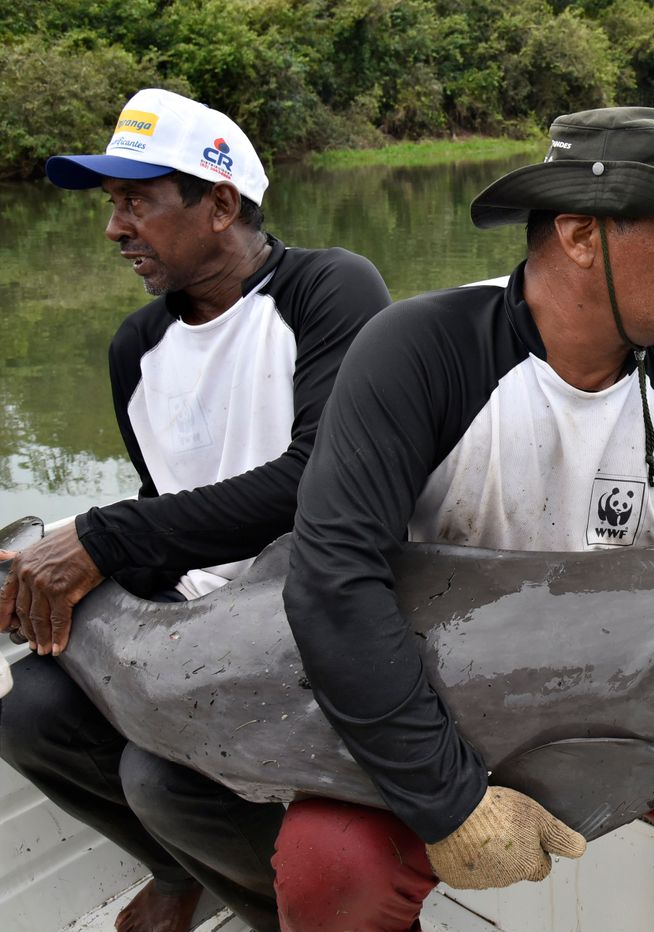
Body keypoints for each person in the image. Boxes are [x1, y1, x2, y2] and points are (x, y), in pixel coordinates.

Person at [274, 107, 654, 932]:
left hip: (631, 713)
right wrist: (449, 804)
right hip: (441, 706)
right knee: (330, 864)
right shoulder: (418, 352)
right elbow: (332, 585)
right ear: (582, 235)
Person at [0, 88, 391, 932]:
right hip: (195, 629)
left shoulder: (332, 291)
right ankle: (181, 871)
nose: (115, 229)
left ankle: (279, 908)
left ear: (220, 203)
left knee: (159, 778)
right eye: (112, 205)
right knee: (30, 715)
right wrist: (38, 577)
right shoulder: (135, 348)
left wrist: (98, 536)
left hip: (319, 616)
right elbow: (166, 512)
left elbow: (315, 486)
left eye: (138, 200)